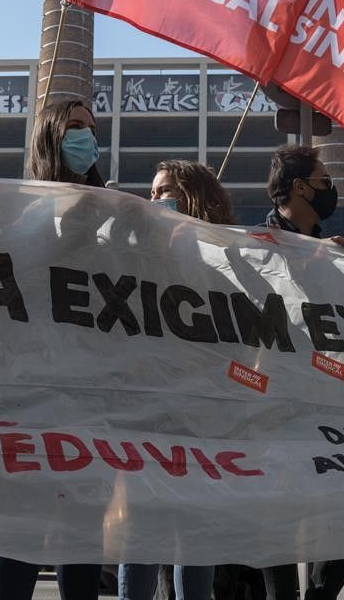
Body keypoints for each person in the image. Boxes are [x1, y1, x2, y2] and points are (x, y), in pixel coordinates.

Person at [255, 145, 344, 600]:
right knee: (278, 532)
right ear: (298, 188)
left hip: (333, 406)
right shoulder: (257, 246)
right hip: (276, 408)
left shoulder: (333, 251)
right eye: (322, 180)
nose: (329, 189)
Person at [0, 97, 105, 600]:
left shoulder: (113, 212)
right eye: (75, 127)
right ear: (50, 138)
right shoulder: (19, 211)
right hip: (26, 393)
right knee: (19, 529)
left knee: (82, 533)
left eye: (91, 129)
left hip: (93, 397)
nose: (87, 138)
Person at [115, 160, 232, 600]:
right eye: (151, 192)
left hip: (202, 414)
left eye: (163, 191)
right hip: (143, 411)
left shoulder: (226, 253)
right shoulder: (136, 248)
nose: (153, 201)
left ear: (193, 197)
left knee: (194, 535)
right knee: (140, 532)